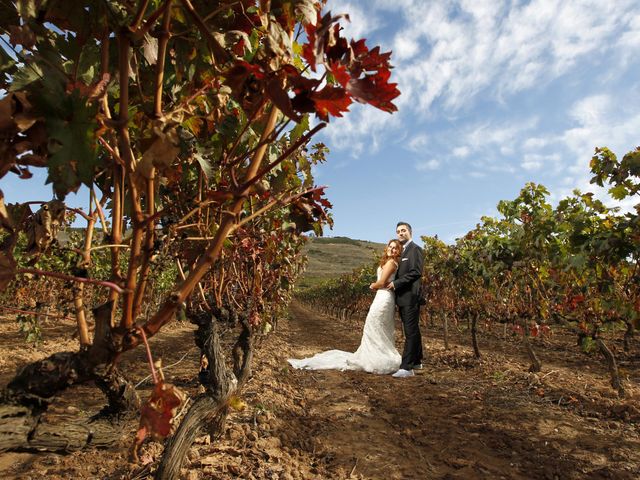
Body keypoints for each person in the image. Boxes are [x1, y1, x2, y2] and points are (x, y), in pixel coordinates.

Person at [288, 240, 403, 374]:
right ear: (387, 247)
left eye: (396, 248)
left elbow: (381, 282)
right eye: (391, 246)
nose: (393, 249)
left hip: (383, 297)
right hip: (383, 296)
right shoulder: (389, 262)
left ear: (399, 251)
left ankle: (376, 357)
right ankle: (377, 355)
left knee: (375, 324)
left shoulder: (390, 263)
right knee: (378, 326)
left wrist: (372, 285)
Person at [387, 222, 424, 378]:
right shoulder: (402, 251)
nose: (400, 233)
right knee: (413, 330)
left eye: (403, 230)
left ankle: (407, 368)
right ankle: (417, 361)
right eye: (398, 231)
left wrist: (395, 284)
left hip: (410, 297)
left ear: (410, 232)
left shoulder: (415, 249)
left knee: (410, 332)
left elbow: (416, 272)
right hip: (403, 298)